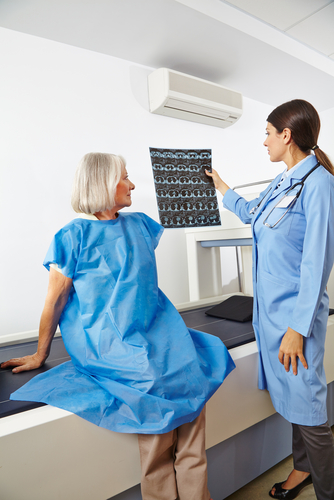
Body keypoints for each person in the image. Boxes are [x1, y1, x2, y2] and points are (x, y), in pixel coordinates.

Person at [1, 152, 235, 500]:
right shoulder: (73, 235)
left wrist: (207, 185)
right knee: (155, 385)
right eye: (125, 177)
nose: (133, 183)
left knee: (194, 366)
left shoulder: (139, 223)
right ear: (103, 184)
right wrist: (40, 353)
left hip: (160, 331)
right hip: (112, 341)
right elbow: (55, 300)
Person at [206, 100, 334, 500]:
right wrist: (220, 185)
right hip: (272, 318)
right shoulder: (284, 180)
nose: (263, 141)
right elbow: (252, 212)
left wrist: (297, 329)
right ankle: (301, 471)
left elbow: (317, 264)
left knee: (309, 411)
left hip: (295, 320)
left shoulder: (319, 184)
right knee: (296, 405)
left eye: (266, 133)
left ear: (286, 135)